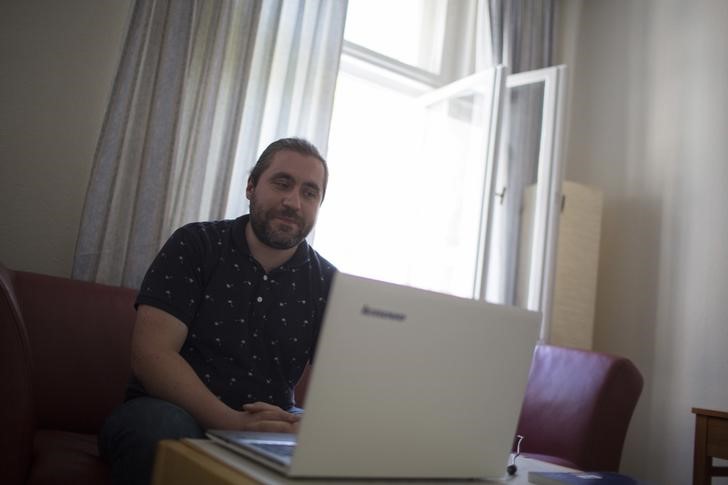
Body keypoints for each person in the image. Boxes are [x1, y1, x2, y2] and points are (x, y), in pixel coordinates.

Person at [99, 138, 336, 485]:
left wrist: (311, 423)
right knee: (160, 430)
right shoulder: (195, 244)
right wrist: (231, 421)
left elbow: (340, 388)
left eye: (310, 192)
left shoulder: (329, 283)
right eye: (282, 183)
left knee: (337, 452)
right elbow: (151, 355)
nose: (293, 202)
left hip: (270, 422)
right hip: (168, 410)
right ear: (251, 187)